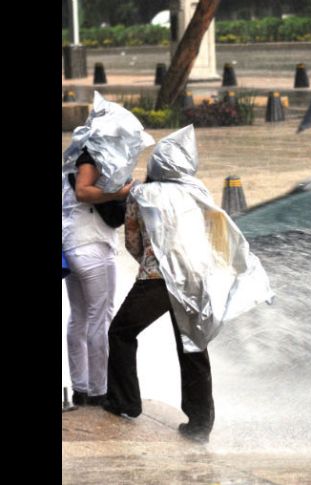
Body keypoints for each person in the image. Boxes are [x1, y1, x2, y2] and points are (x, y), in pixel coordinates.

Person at [102, 125, 274, 445]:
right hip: (196, 279)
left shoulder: (142, 193)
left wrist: (150, 261)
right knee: (193, 345)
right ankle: (200, 423)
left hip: (156, 279)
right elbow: (217, 234)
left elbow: (132, 241)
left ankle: (124, 401)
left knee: (121, 332)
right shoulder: (199, 192)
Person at [62, 95, 154, 407]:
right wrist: (122, 191)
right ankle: (98, 390)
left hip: (72, 245)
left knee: (79, 318)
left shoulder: (75, 153)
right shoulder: (92, 156)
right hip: (92, 247)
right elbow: (84, 191)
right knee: (99, 318)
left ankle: (81, 387)